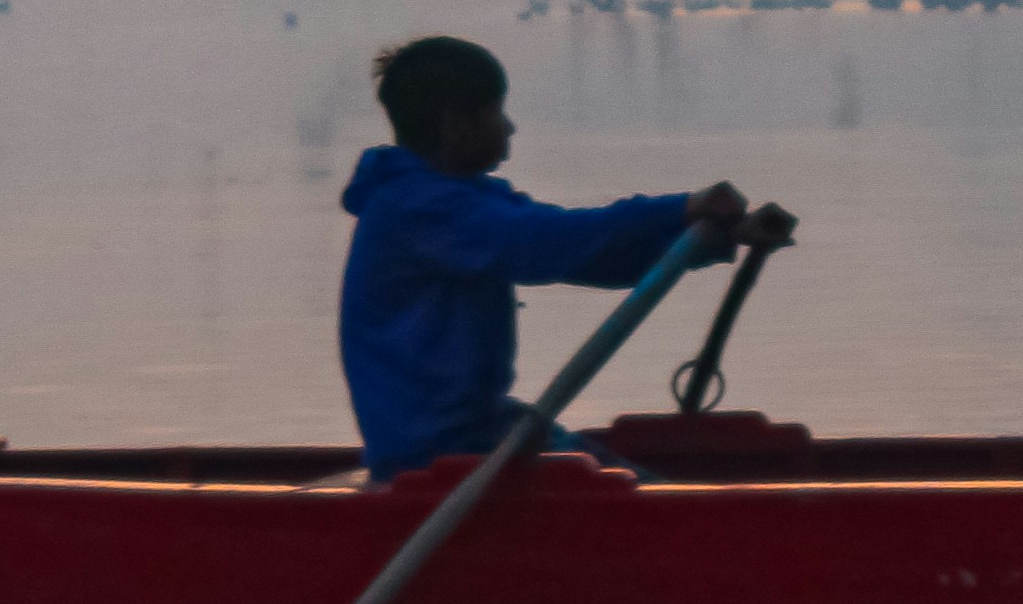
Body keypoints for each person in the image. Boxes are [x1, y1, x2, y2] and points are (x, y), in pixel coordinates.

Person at [338, 34, 793, 478]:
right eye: (497, 112)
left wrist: (713, 239)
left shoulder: (468, 202)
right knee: (652, 507)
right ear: (456, 125)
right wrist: (682, 207)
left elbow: (593, 258)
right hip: (432, 453)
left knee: (642, 486)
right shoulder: (418, 209)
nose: (510, 127)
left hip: (481, 433)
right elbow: (548, 242)